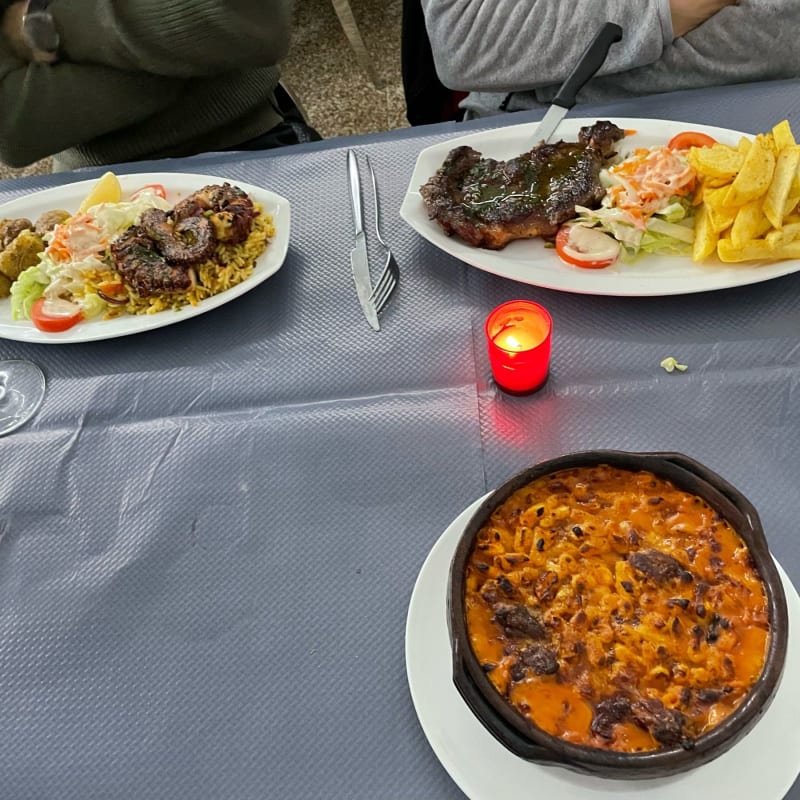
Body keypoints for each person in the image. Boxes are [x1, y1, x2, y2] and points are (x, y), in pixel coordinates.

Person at [0, 0, 319, 172]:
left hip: (249, 146)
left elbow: (242, 18)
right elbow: (12, 130)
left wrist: (43, 25)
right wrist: (185, 54)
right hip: (87, 191)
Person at [418, 0, 800, 120]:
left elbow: (781, 32)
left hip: (770, 114)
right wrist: (667, 10)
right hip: (542, 128)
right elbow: (469, 39)